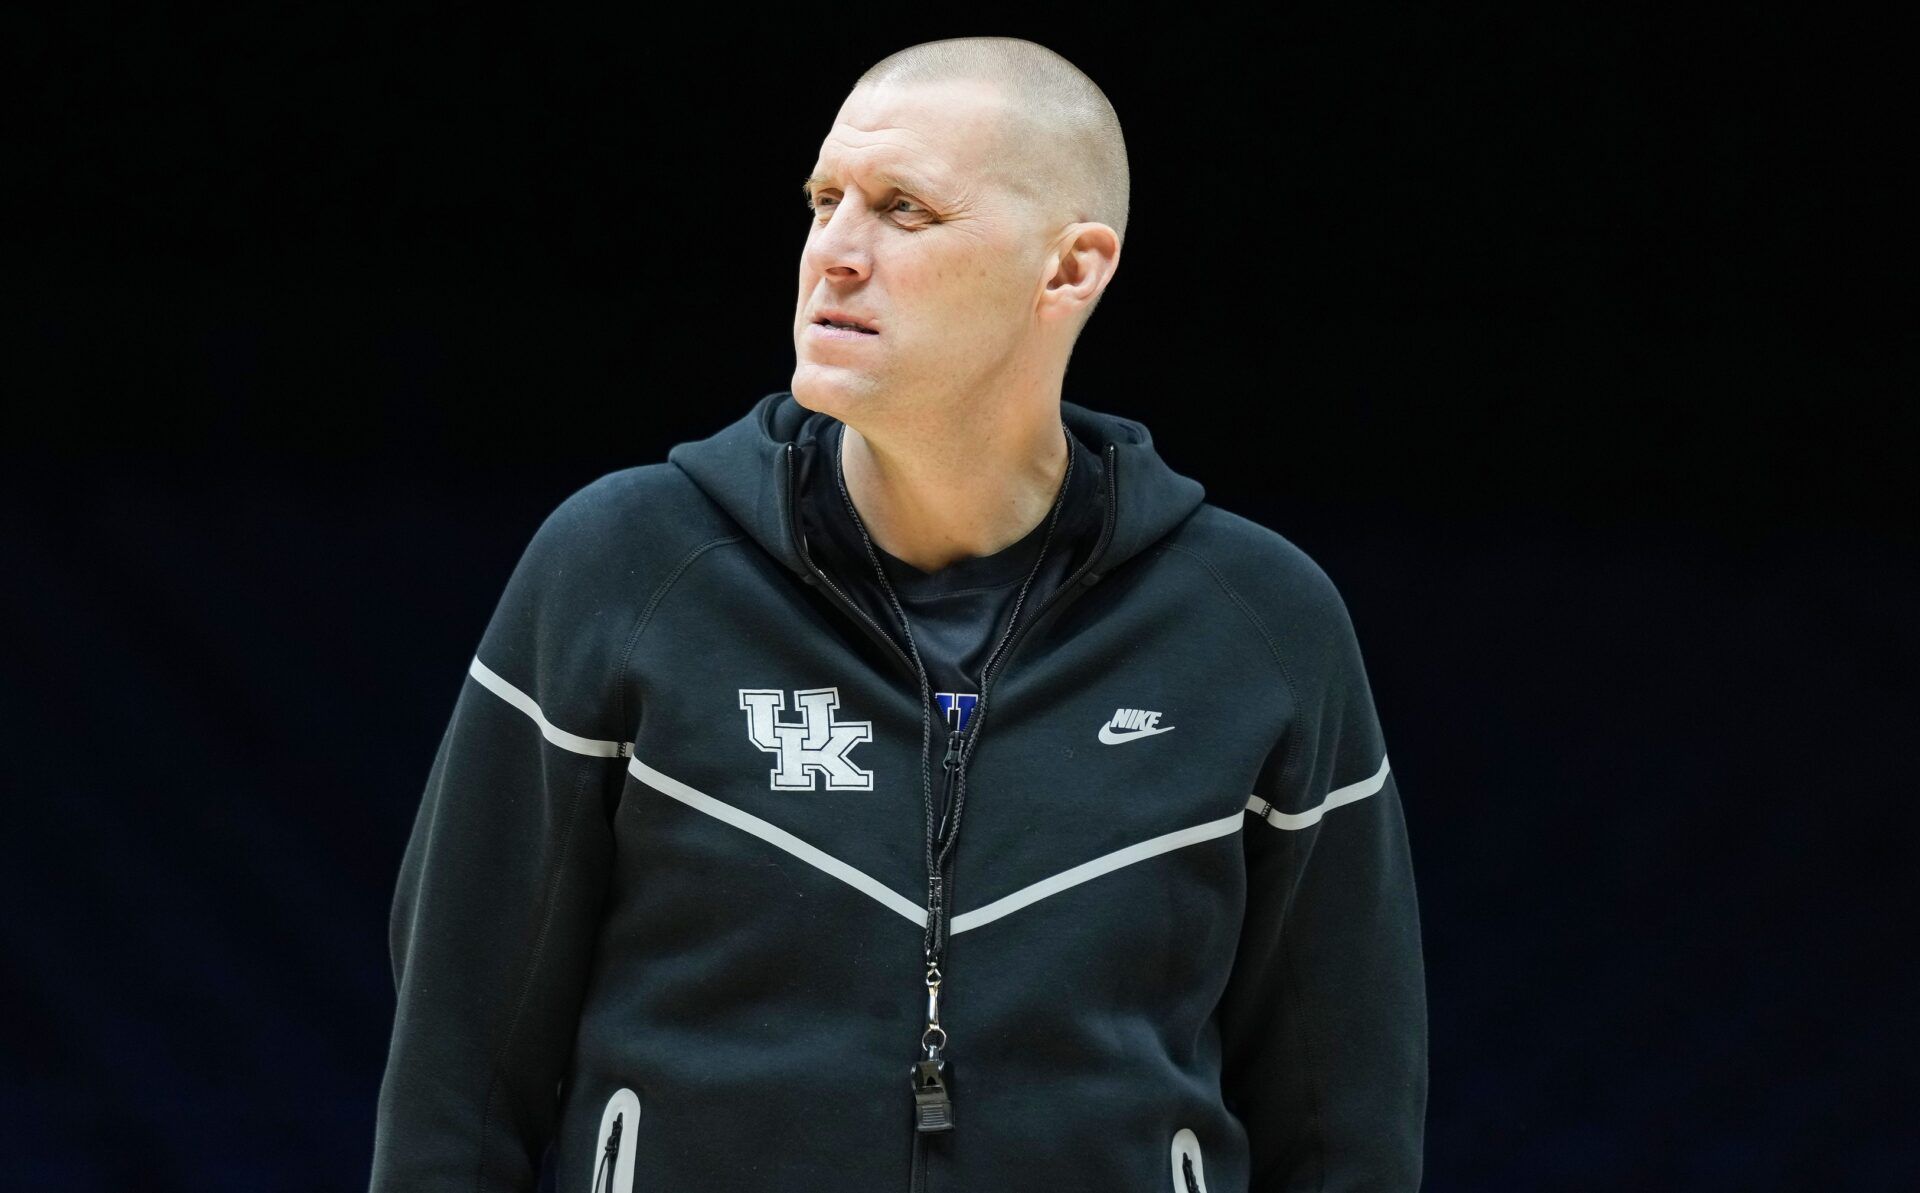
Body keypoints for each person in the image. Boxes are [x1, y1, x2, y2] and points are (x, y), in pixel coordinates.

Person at [369, 35, 1427, 1193]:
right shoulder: (623, 566)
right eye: (826, 200)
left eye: (904, 210)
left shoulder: (1263, 627)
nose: (834, 253)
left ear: (1068, 271)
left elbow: (1346, 1132)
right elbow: (452, 1086)